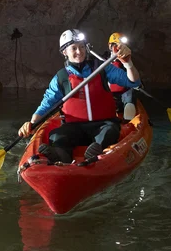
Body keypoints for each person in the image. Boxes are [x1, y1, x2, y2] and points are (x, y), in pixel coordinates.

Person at [18, 29, 141, 164]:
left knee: (110, 131)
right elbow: (46, 104)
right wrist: (32, 123)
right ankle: (62, 155)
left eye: (82, 47)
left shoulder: (102, 68)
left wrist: (127, 63)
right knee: (56, 135)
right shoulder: (61, 77)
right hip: (75, 127)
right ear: (64, 52)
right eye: (74, 48)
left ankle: (95, 151)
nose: (79, 51)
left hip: (102, 124)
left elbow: (133, 81)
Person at [104, 32, 137, 120]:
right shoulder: (103, 60)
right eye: (115, 45)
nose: (118, 47)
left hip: (124, 92)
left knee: (129, 103)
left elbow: (134, 76)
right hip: (109, 93)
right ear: (110, 46)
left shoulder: (127, 59)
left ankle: (128, 123)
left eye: (121, 45)